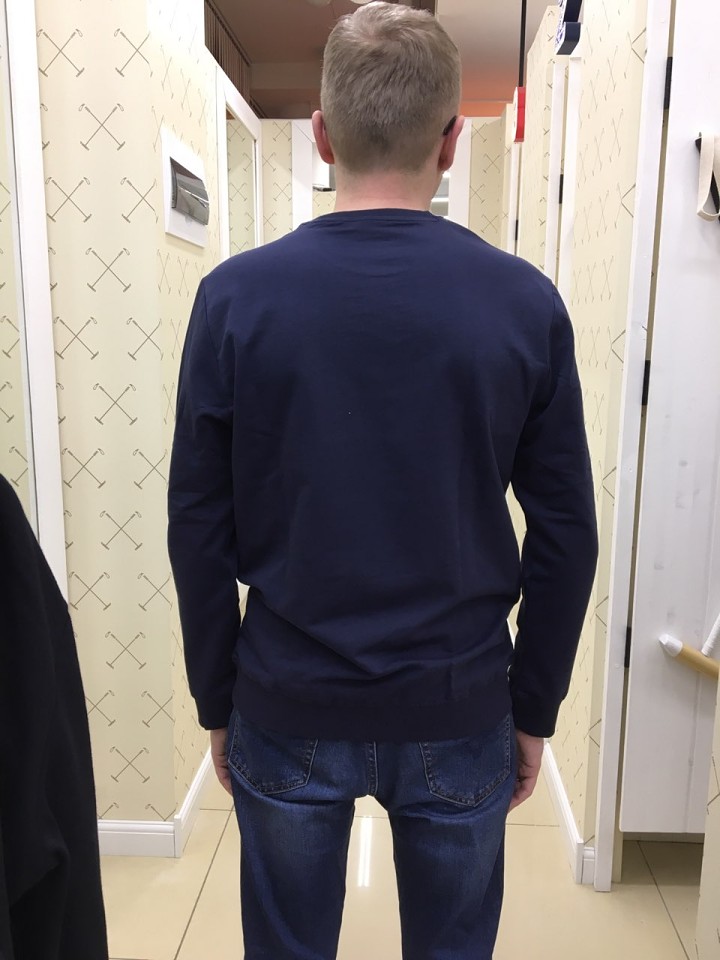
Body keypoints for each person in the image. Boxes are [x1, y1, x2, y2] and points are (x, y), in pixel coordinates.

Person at [168, 3, 598, 957]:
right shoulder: (524, 304)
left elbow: (196, 521)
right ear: (451, 141)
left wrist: (216, 695)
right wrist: (533, 706)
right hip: (459, 700)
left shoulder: (233, 300)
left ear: (323, 135)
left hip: (285, 696)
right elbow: (567, 530)